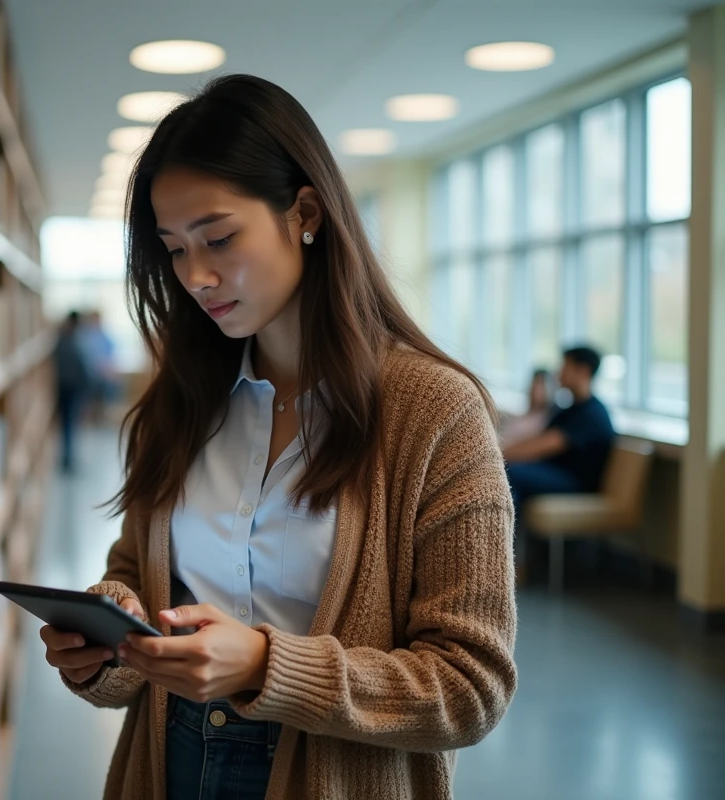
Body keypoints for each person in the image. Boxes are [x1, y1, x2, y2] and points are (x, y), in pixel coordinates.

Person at [39, 75, 516, 800]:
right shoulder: (181, 400)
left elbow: (470, 684)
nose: (195, 276)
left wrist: (266, 666)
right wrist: (111, 640)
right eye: (172, 249)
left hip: (337, 773)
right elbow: (137, 575)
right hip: (171, 764)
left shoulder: (435, 412)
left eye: (219, 237)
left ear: (306, 213)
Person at [502, 346, 617, 512]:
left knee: (510, 471)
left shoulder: (591, 413)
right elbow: (540, 439)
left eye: (564, 366)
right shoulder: (572, 408)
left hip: (575, 483)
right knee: (513, 480)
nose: (558, 372)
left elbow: (545, 444)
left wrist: (498, 455)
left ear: (582, 370)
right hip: (556, 472)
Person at [54, 310, 92, 472]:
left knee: (68, 424)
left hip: (66, 387)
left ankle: (68, 458)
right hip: (71, 388)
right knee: (69, 424)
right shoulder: (75, 341)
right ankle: (68, 459)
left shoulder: (61, 339)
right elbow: (83, 369)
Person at [77, 310, 119, 423]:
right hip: (88, 374)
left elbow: (110, 357)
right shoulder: (84, 337)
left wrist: (108, 369)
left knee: (113, 385)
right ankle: (89, 414)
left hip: (102, 373)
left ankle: (104, 412)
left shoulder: (105, 337)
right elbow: (85, 359)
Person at [499, 368, 555, 447]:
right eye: (534, 384)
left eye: (541, 385)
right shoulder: (523, 416)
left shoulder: (547, 421)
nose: (536, 389)